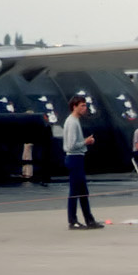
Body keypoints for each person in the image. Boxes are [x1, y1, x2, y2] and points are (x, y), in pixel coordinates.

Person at [62, 95, 102, 229]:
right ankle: (72, 220)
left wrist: (84, 141)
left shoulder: (74, 120)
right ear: (75, 106)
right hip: (74, 158)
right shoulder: (72, 122)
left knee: (83, 191)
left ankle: (89, 219)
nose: (84, 108)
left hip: (77, 158)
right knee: (75, 191)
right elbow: (71, 145)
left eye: (85, 105)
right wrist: (86, 141)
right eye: (82, 106)